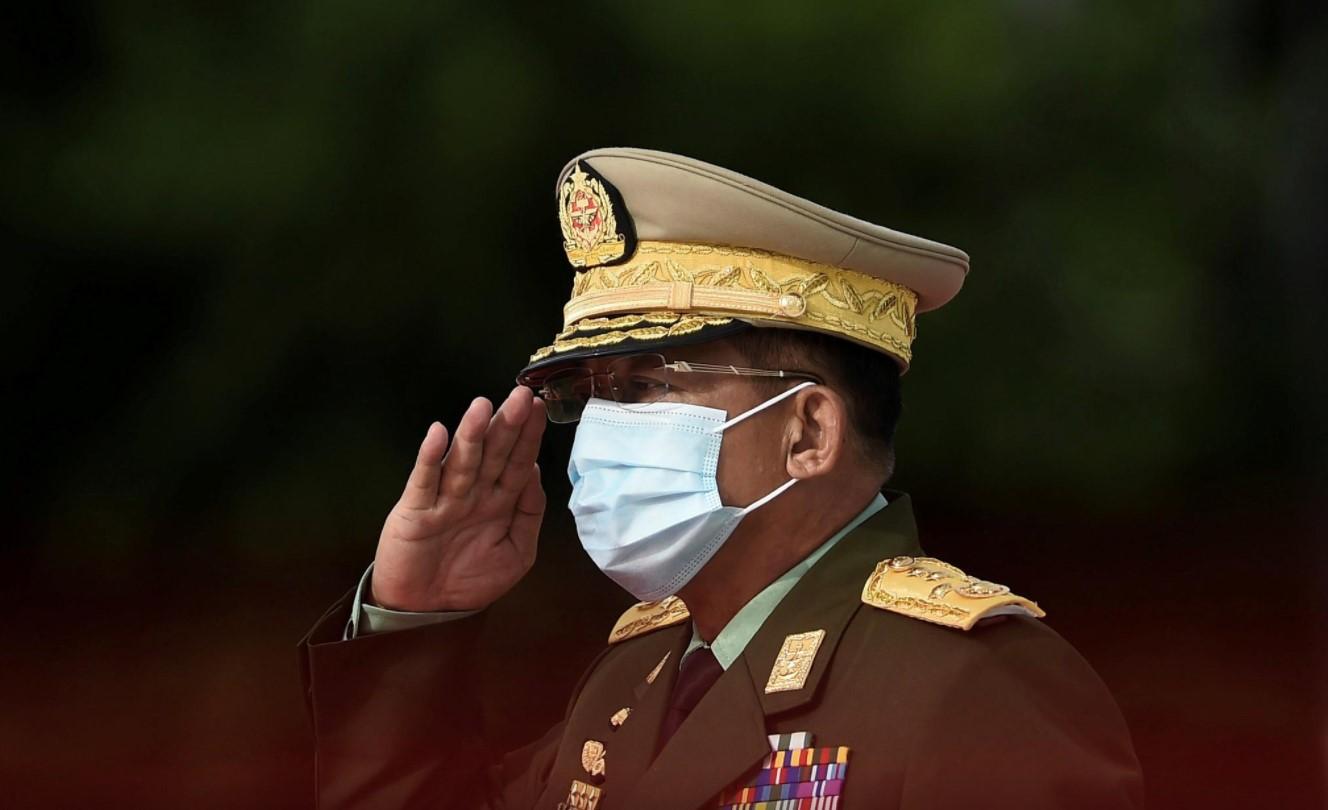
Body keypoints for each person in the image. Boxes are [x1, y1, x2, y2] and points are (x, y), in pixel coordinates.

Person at [300, 148, 1144, 809]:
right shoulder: (642, 671)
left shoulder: (973, 689)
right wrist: (412, 620)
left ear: (808, 432)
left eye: (648, 386)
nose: (602, 429)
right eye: (592, 394)